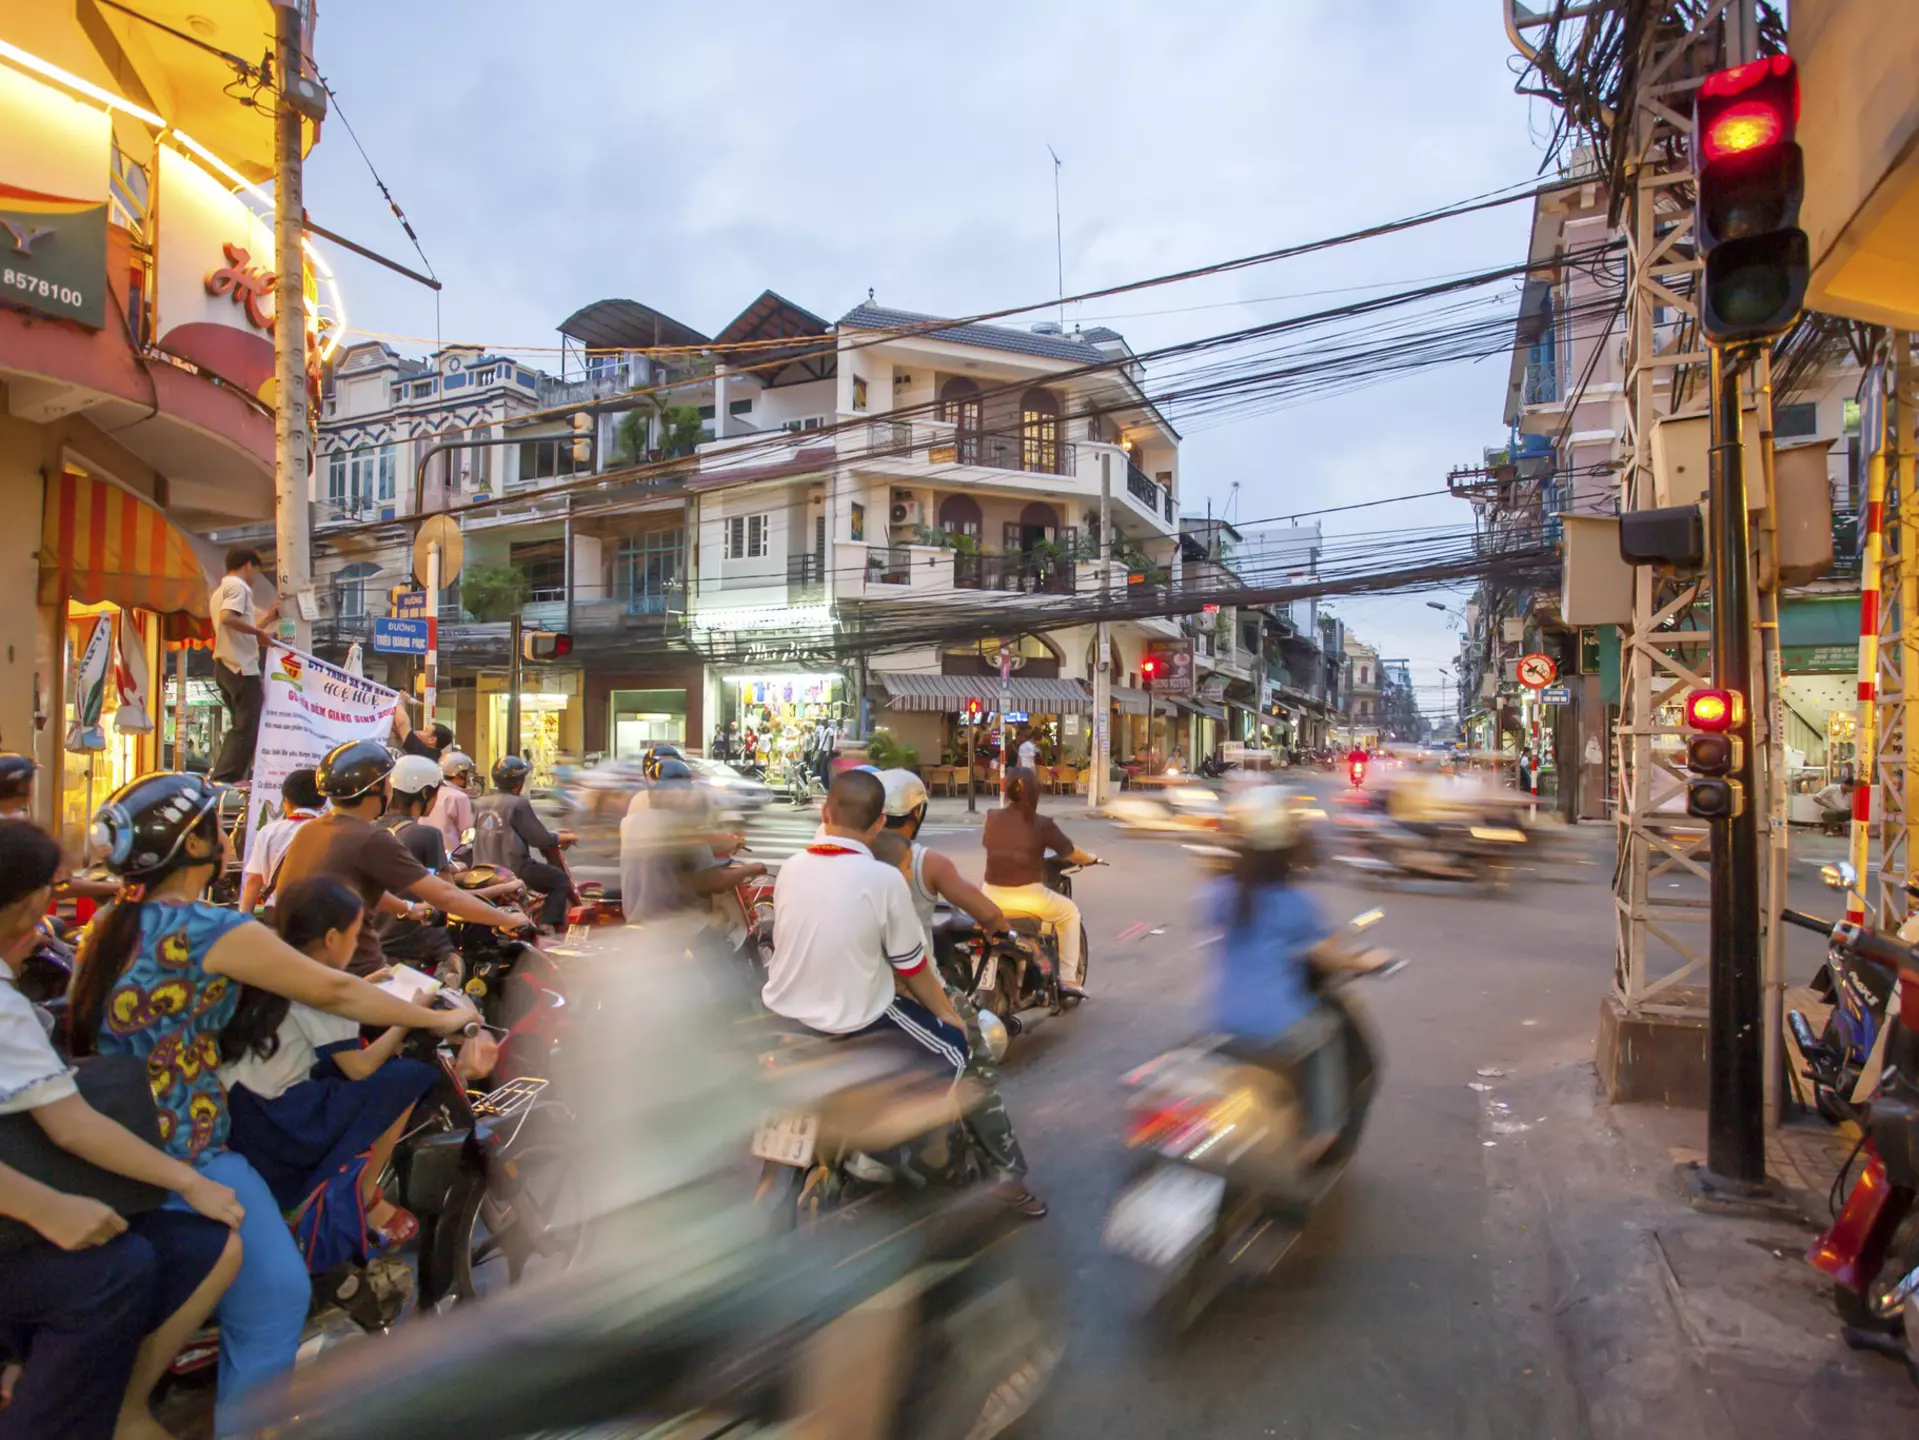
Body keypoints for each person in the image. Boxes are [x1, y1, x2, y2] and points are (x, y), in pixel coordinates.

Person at [65, 772, 484, 1432]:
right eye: (216, 827)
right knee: (274, 1296)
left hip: (118, 1135)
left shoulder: (114, 924)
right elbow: (336, 994)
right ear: (195, 846)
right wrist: (439, 1020)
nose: (229, 838)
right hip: (190, 1146)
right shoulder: (211, 927)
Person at [0, 819, 243, 1440]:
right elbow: (72, 1127)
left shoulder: (110, 930)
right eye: (41, 904)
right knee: (117, 1270)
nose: (45, 921)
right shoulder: (205, 927)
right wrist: (49, 1206)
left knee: (181, 1246)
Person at [221, 876, 493, 1274]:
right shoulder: (327, 991)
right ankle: (366, 1194)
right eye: (356, 932)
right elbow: (361, 1067)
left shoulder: (280, 966)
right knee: (407, 1076)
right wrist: (406, 1018)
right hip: (285, 1122)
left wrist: (366, 987)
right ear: (332, 938)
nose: (360, 941)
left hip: (247, 1111)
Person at [876, 771, 1043, 1215]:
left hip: (855, 989)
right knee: (979, 1072)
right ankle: (1008, 1178)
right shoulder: (925, 861)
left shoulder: (851, 855)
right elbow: (985, 910)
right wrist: (1003, 929)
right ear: (918, 812)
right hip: (911, 989)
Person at [1204, 787, 1371, 1164]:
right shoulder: (1295, 904)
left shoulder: (1221, 894)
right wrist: (1364, 962)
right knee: (1326, 1032)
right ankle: (1322, 1132)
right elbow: (1331, 958)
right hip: (1275, 1027)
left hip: (1219, 1020)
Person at [275, 740, 530, 979]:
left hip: (306, 965)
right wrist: (507, 920)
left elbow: (348, 890)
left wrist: (407, 909)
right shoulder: (370, 838)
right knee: (466, 1021)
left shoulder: (311, 830)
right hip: (359, 971)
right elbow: (446, 895)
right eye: (387, 781)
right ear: (376, 788)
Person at [980, 768, 1097, 992]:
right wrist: (1090, 859)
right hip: (1028, 896)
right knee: (1069, 913)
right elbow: (1071, 852)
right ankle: (1068, 978)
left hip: (990, 895)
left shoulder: (991, 817)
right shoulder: (1042, 824)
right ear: (1035, 794)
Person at [473, 756, 577, 934]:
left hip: (481, 871)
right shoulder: (517, 803)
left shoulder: (481, 802)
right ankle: (547, 925)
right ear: (519, 782)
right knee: (559, 880)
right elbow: (540, 839)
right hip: (514, 869)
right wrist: (559, 837)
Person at [208, 547, 279, 786]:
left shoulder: (220, 590)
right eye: (256, 571)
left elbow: (238, 626)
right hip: (239, 666)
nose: (255, 578)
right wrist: (259, 632)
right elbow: (228, 618)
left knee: (243, 725)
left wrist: (267, 620)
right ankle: (226, 778)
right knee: (248, 725)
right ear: (248, 565)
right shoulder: (238, 587)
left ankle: (231, 775)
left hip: (226, 665)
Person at [236, 766, 324, 915]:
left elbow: (253, 881)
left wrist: (244, 920)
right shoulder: (331, 831)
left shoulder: (268, 832)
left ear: (286, 801)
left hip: (277, 912)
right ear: (323, 802)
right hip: (318, 914)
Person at [428, 751, 478, 855]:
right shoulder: (459, 797)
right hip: (455, 855)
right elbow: (468, 832)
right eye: (467, 772)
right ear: (459, 773)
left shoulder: (430, 793)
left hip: (429, 853)